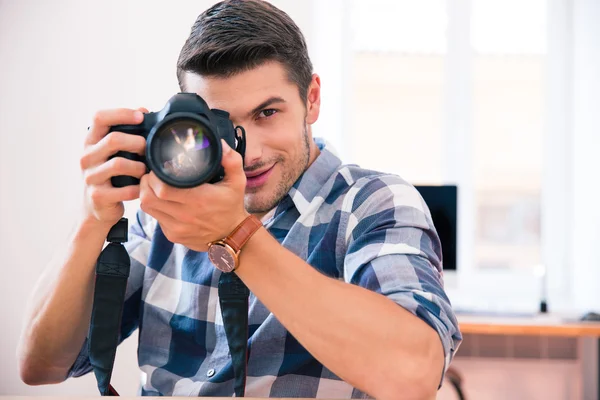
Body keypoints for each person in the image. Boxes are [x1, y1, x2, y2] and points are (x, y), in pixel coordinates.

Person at [16, 1, 462, 398]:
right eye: (223, 124)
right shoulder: (166, 215)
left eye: (267, 113)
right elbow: (42, 365)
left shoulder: (370, 204)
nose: (249, 153)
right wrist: (92, 221)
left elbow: (412, 375)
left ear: (312, 100)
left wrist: (235, 236)